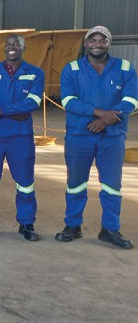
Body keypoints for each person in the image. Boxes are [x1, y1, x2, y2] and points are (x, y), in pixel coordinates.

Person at [56, 25, 137, 249]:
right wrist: (100, 113)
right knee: (75, 183)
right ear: (86, 44)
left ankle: (110, 229)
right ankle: (73, 225)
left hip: (112, 136)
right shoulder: (72, 69)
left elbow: (131, 100)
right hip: (79, 135)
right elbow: (68, 100)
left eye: (103, 40)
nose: (98, 44)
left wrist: (104, 121)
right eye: (93, 40)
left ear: (109, 43)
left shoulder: (125, 68)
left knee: (112, 185)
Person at [0, 34, 44, 241]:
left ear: (24, 48)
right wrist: (13, 112)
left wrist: (2, 111)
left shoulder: (35, 73)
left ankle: (26, 223)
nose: (12, 47)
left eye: (17, 44)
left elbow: (32, 101)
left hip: (20, 137)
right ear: (4, 49)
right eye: (9, 45)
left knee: (24, 181)